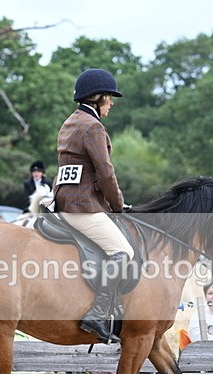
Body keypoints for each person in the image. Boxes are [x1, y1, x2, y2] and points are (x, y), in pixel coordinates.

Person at [54, 68, 134, 344]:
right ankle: (98, 313)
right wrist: (119, 205)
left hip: (64, 202)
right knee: (123, 251)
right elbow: (105, 173)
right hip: (83, 207)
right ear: (98, 97)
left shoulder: (71, 122)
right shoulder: (93, 127)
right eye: (110, 98)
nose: (112, 103)